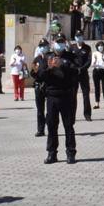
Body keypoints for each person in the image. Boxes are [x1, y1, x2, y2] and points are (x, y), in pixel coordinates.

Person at [41, 34, 78, 164]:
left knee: (68, 126)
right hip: (51, 96)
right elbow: (40, 75)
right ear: (53, 43)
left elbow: (76, 72)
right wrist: (49, 68)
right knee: (51, 126)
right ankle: (52, 153)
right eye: (57, 42)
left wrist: (63, 65)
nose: (60, 44)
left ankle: (70, 152)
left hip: (66, 95)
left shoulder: (70, 56)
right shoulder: (47, 57)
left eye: (62, 42)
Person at [69, 33, 93, 122]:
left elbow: (89, 61)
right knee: (73, 96)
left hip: (83, 73)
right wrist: (75, 68)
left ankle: (87, 114)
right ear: (75, 38)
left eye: (80, 36)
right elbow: (69, 60)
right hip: (74, 74)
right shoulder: (71, 47)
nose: (79, 38)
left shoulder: (87, 48)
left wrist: (82, 69)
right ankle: (72, 116)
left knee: (86, 95)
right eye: (77, 36)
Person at [31, 39, 49, 136]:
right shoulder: (36, 59)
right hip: (39, 86)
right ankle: (40, 130)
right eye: (41, 46)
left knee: (50, 109)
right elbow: (32, 72)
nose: (43, 48)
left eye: (45, 46)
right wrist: (37, 76)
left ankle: (50, 126)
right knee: (40, 110)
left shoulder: (51, 57)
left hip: (49, 85)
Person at [91, 41, 104, 109]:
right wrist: (95, 61)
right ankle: (97, 103)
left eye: (102, 45)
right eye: (99, 46)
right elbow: (92, 64)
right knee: (97, 88)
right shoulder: (95, 53)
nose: (100, 47)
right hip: (96, 71)